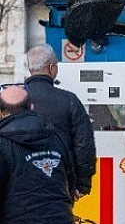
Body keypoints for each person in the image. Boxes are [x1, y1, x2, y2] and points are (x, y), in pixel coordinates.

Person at [0, 85, 76, 224]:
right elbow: (71, 181)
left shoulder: (2, 144)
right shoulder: (55, 136)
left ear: (0, 113)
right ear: (31, 107)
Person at [24, 44, 96, 201]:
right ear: (52, 68)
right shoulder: (69, 100)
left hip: (19, 184)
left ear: (30, 68)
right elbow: (84, 145)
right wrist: (82, 184)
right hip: (60, 180)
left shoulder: (12, 100)